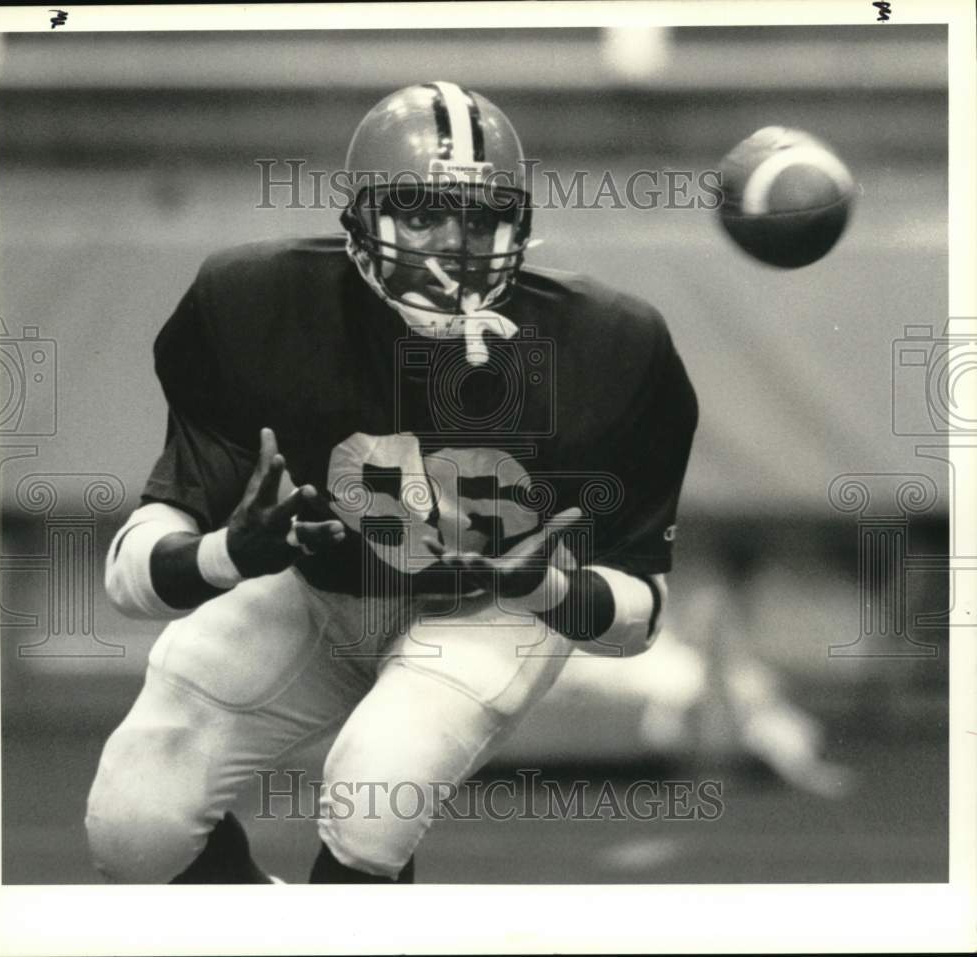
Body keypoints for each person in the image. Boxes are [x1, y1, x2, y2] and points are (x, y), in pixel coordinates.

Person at [85, 81, 698, 883]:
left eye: (480, 220)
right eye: (421, 214)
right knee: (132, 825)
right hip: (312, 592)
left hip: (486, 613)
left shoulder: (611, 347)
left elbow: (640, 616)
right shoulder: (256, 306)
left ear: (519, 225)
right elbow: (134, 577)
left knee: (373, 801)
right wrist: (228, 554)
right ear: (361, 218)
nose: (452, 247)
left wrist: (546, 587)